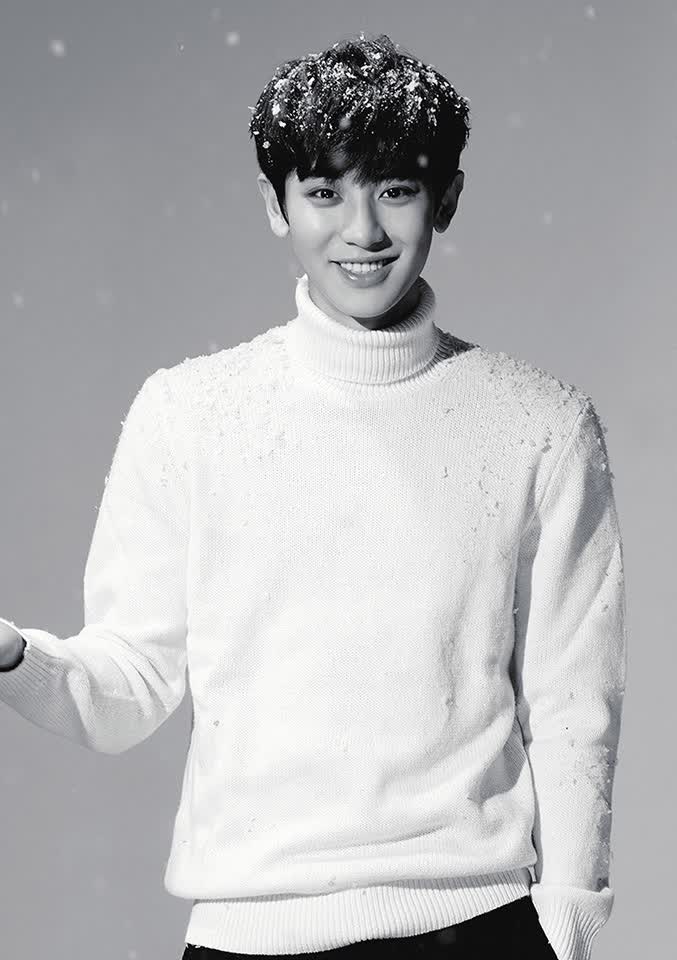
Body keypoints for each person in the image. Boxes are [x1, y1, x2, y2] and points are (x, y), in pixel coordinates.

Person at [0, 31, 626, 960]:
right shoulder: (189, 414)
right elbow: (127, 686)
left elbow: (574, 700)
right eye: (325, 192)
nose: (361, 231)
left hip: (476, 925)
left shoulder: (539, 423)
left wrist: (567, 921)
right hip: (247, 935)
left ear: (447, 197)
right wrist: (14, 657)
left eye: (395, 189)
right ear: (275, 204)